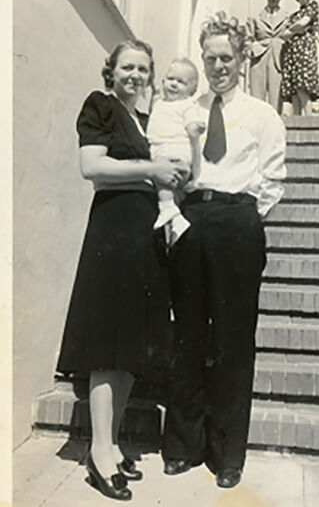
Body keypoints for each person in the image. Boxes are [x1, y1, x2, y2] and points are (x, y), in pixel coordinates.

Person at [56, 39, 188, 501]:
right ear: (110, 71)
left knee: (130, 346)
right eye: (127, 67)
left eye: (143, 69)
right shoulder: (102, 107)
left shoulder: (147, 121)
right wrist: (153, 169)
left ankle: (109, 447)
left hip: (143, 235)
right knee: (108, 347)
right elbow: (92, 167)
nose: (135, 75)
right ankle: (100, 452)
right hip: (113, 233)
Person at [162, 12, 286, 489]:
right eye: (210, 57)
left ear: (243, 58)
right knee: (188, 333)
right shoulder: (187, 109)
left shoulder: (263, 115)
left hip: (238, 222)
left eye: (226, 58)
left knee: (233, 340)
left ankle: (228, 453)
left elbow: (273, 177)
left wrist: (247, 220)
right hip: (192, 218)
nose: (217, 66)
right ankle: (182, 446)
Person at [147, 57, 206, 246]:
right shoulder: (159, 103)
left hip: (175, 156)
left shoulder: (187, 105)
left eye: (181, 82)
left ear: (192, 90)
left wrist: (196, 127)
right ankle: (176, 222)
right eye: (171, 79)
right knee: (168, 189)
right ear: (163, 81)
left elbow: (191, 126)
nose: (174, 84)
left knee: (161, 177)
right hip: (163, 154)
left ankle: (168, 210)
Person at [280, 0, 319, 114]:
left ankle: (309, 118)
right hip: (292, 51)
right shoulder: (294, 15)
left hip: (304, 49)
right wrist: (296, 29)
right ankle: (297, 120)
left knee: (302, 85)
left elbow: (303, 23)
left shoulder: (313, 7)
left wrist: (295, 29)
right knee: (293, 87)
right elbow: (283, 35)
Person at [246, 0, 288, 111]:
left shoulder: (287, 17)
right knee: (257, 93)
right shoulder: (255, 17)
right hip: (259, 55)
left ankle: (275, 122)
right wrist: (253, 48)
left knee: (276, 93)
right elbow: (248, 37)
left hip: (278, 56)